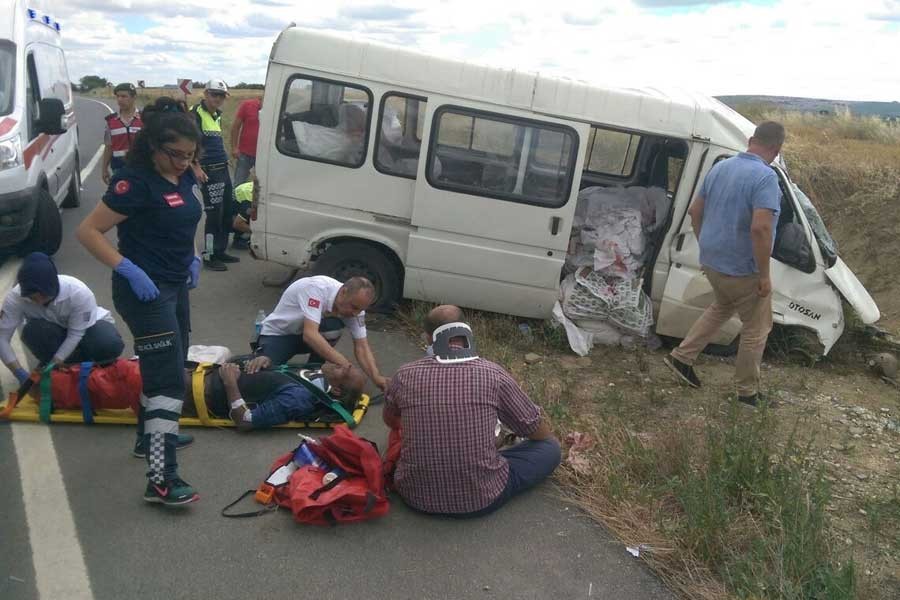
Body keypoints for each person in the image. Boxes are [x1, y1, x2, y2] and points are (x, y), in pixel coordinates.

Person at [77, 96, 204, 506]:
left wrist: (194, 256)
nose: (184, 163)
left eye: (190, 155)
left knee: (171, 363)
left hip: (174, 284)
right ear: (153, 147)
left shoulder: (182, 177)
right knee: (168, 380)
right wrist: (127, 267)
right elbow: (88, 232)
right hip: (142, 290)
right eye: (176, 155)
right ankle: (161, 479)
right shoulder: (134, 183)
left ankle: (146, 438)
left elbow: (186, 220)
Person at [383, 305, 561, 517]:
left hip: (414, 497)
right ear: (466, 331)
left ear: (429, 338)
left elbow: (391, 420)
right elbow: (535, 429)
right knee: (550, 448)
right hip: (482, 499)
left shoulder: (404, 375)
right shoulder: (492, 373)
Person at [663, 121, 785, 407]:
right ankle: (747, 394)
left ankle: (681, 357)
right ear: (776, 149)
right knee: (756, 329)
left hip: (713, 261)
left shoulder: (721, 167)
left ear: (751, 139)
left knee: (721, 307)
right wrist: (764, 275)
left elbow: (695, 211)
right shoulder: (766, 178)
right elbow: (761, 229)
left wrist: (707, 245)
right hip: (744, 269)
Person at [248, 275, 389, 391]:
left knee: (333, 328)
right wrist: (345, 365)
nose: (356, 313)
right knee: (263, 376)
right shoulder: (316, 288)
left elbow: (362, 346)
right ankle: (262, 353)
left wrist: (376, 377)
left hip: (305, 336)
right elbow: (310, 335)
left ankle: (314, 371)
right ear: (344, 292)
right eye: (354, 307)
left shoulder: (356, 306)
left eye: (360, 310)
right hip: (279, 335)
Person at [0, 253, 124, 382]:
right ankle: (67, 367)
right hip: (54, 331)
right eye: (32, 298)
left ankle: (96, 363)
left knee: (107, 342)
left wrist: (56, 360)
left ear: (53, 287)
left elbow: (75, 334)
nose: (38, 301)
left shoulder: (78, 292)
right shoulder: (15, 298)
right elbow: (2, 338)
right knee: (32, 331)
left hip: (88, 328)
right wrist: (19, 373)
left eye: (42, 296)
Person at [183, 359, 365, 430]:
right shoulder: (314, 377)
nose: (343, 363)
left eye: (345, 371)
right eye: (349, 365)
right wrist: (267, 362)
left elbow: (246, 421)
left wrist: (230, 383)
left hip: (199, 392)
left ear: (336, 390)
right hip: (204, 374)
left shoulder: (298, 398)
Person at [190, 79, 239, 271]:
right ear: (205, 94)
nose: (217, 99)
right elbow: (190, 141)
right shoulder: (196, 114)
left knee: (227, 212)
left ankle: (220, 250)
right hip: (209, 172)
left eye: (221, 96)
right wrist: (196, 166)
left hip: (222, 169)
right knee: (214, 215)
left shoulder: (217, 115)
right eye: (214, 94)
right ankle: (209, 255)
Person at [101, 83, 143, 185]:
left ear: (134, 98)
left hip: (141, 169)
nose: (120, 99)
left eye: (124, 96)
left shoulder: (144, 119)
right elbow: (108, 147)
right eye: (118, 96)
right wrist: (104, 169)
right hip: (119, 169)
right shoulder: (111, 121)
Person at [230, 95, 261, 185]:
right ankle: (235, 198)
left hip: (264, 156)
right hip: (245, 154)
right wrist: (234, 148)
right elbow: (235, 127)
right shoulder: (247, 105)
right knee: (238, 183)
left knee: (262, 185)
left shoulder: (275, 109)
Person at [230, 177, 253, 250]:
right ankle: (240, 239)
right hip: (225, 218)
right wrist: (258, 234)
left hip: (233, 207)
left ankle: (240, 237)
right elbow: (237, 224)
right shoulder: (249, 199)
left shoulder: (256, 188)